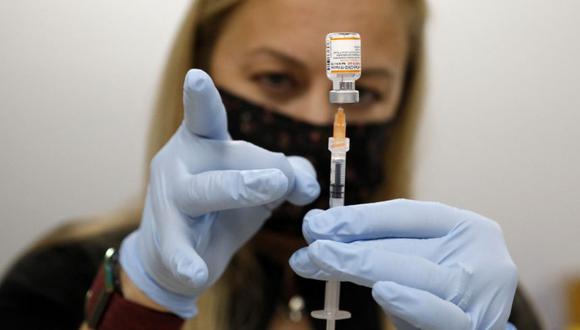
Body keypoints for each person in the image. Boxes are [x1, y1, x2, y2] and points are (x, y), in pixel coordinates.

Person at [0, 0, 543, 329]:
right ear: (202, 67)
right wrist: (143, 302)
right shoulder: (61, 280)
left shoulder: (456, 292)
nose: (320, 117)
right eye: (276, 79)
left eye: (362, 91)